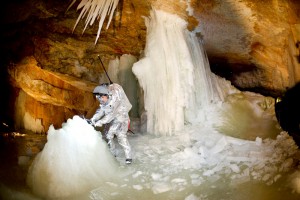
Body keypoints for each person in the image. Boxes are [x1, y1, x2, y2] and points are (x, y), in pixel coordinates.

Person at [90, 83, 133, 164]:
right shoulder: (104, 101)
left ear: (107, 95)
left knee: (121, 137)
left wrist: (100, 122)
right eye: (99, 98)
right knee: (108, 135)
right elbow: (101, 110)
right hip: (114, 120)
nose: (101, 100)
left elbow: (110, 115)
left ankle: (128, 157)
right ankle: (113, 154)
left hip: (122, 119)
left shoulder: (115, 100)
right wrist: (93, 119)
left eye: (102, 97)